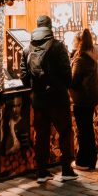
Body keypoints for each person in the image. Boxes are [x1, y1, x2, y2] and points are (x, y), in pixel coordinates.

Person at [20, 16, 76, 183]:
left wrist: (37, 87)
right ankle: (66, 169)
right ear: (50, 27)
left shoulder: (27, 49)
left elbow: (23, 77)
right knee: (65, 133)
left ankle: (42, 172)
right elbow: (67, 75)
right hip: (58, 99)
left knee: (41, 135)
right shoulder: (58, 47)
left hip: (39, 100)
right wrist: (60, 86)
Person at [70, 28, 98, 171]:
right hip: (91, 98)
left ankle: (83, 162)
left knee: (83, 131)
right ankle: (91, 161)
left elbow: (74, 81)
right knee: (88, 130)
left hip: (82, 100)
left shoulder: (81, 60)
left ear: (79, 42)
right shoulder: (92, 57)